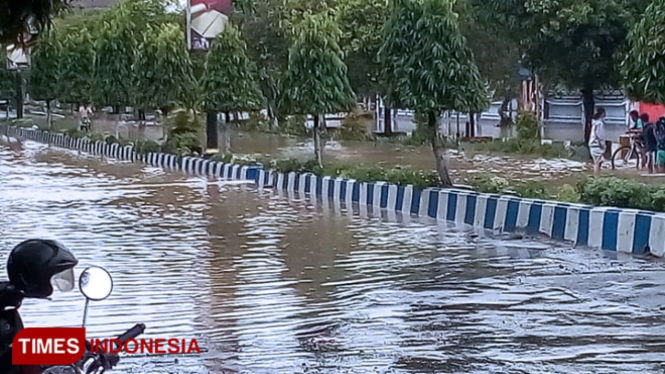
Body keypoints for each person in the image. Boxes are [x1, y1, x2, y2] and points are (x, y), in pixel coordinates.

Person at [0, 240, 78, 373]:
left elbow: (22, 349)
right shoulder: (3, 323)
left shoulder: (8, 302)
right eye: (54, 277)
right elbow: (13, 358)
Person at [588, 108, 607, 173]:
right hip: (596, 145)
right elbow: (600, 136)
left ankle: (597, 174)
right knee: (597, 162)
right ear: (602, 114)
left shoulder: (595, 122)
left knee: (599, 161)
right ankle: (596, 176)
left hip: (593, 144)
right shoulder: (599, 123)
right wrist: (603, 145)